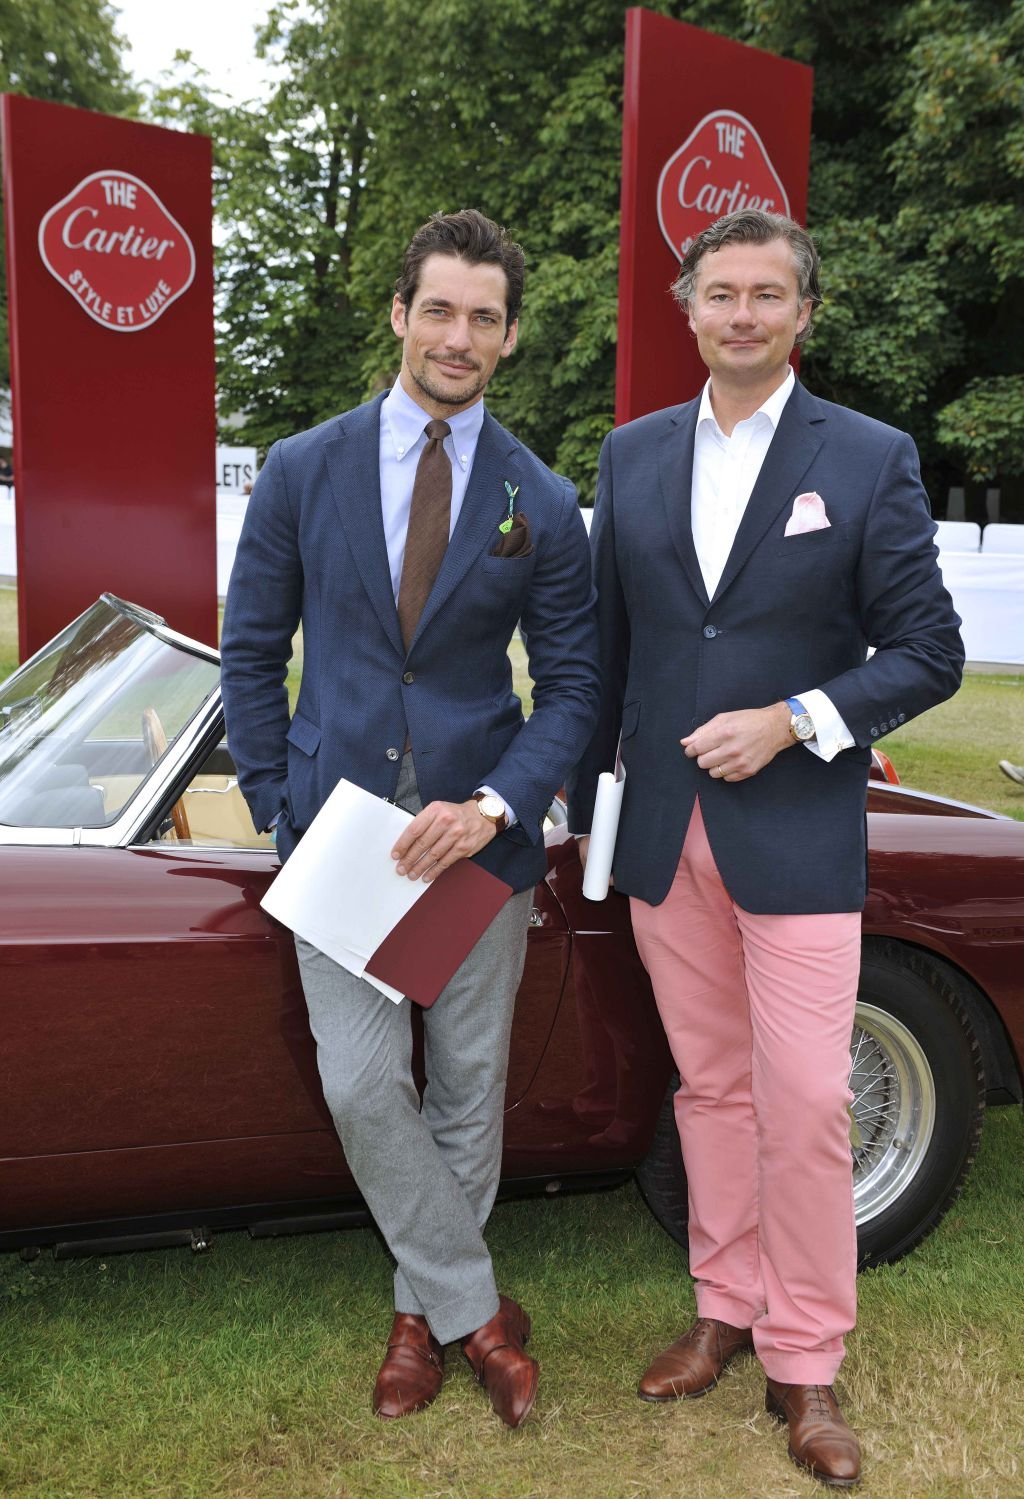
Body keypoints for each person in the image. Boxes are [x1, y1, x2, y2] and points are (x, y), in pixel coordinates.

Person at [568, 209, 964, 1487]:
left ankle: (805, 1356)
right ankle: (723, 1305)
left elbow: (929, 651)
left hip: (794, 833)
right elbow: (607, 655)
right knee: (710, 1089)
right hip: (661, 835)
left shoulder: (868, 455)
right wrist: (583, 813)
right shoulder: (630, 452)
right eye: (720, 293)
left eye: (766, 294)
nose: (741, 314)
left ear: (804, 312)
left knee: (804, 1099)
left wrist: (794, 719)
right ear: (687, 308)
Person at [221, 209, 599, 1428]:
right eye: (438, 308)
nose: (458, 336)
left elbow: (573, 684)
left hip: (478, 837)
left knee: (469, 1083)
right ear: (399, 313)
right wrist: (280, 807)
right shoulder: (302, 467)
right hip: (337, 836)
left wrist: (494, 804)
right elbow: (250, 651)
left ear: (510, 336)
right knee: (360, 1082)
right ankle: (474, 1309)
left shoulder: (539, 495)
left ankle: (412, 1319)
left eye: (483, 317)